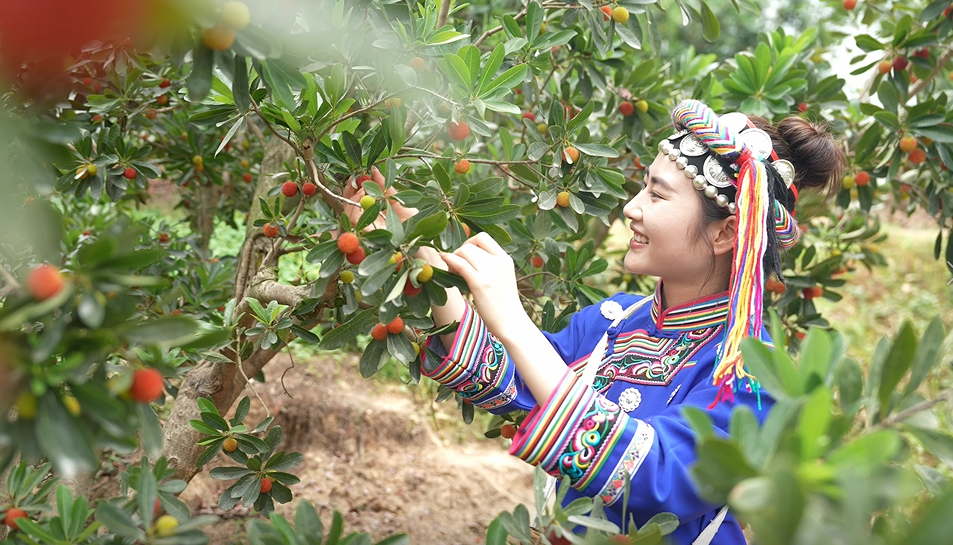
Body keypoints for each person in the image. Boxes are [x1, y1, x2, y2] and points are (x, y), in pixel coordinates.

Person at [343, 99, 844, 544]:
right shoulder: (613, 322)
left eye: (657, 195)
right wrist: (422, 254)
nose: (632, 208)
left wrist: (515, 321)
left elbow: (657, 479)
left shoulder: (750, 369)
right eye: (643, 189)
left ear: (726, 233)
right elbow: (509, 379)